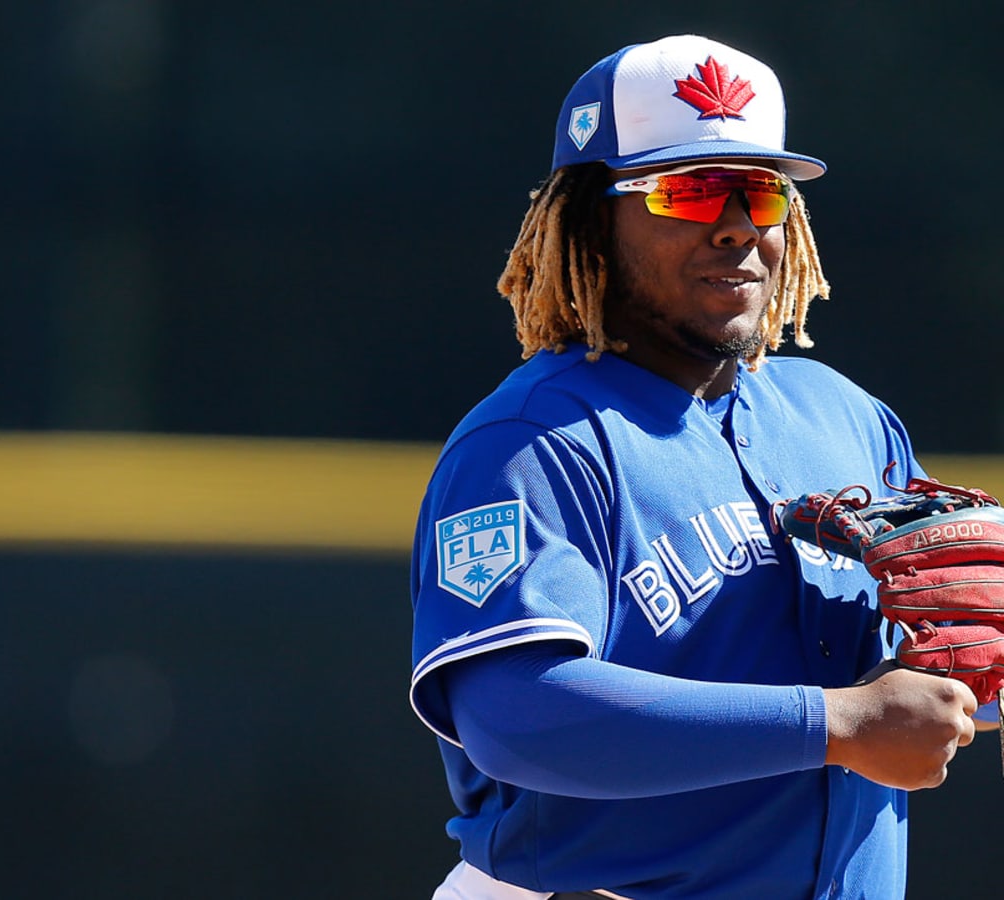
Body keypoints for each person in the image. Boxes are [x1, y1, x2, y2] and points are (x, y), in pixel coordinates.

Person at [408, 34, 989, 900]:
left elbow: (929, 677)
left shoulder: (845, 416)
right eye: (688, 190)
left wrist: (975, 679)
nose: (735, 224)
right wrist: (835, 723)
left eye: (762, 192)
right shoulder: (531, 442)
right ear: (592, 221)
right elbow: (513, 715)